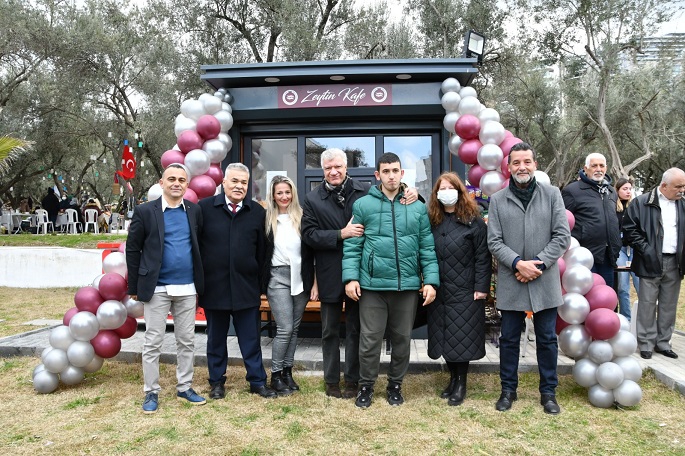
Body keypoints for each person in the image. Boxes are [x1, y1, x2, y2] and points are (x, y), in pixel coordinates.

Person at [301, 147, 417, 399]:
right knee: (330, 331)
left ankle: (353, 380)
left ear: (346, 168)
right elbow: (308, 235)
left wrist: (409, 189)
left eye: (338, 167)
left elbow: (390, 190)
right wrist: (339, 234)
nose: (334, 171)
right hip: (330, 273)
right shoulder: (312, 199)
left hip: (362, 275)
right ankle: (332, 381)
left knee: (357, 330)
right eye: (328, 168)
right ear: (323, 171)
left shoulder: (363, 191)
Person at [342, 152, 439, 408]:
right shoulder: (363, 206)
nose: (391, 176)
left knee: (402, 340)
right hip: (372, 287)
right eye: (386, 171)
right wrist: (351, 278)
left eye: (395, 171)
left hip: (406, 287)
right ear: (378, 175)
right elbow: (354, 246)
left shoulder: (417, 208)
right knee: (369, 340)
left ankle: (395, 385)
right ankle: (366, 387)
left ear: (402, 174)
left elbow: (427, 248)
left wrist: (430, 281)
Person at [487, 142, 570, 415]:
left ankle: (548, 392)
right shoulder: (498, 200)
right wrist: (517, 264)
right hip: (512, 279)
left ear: (535, 164)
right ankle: (508, 390)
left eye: (527, 162)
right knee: (509, 338)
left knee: (547, 339)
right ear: (508, 167)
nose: (521, 167)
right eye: (516, 163)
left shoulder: (552, 194)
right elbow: (494, 241)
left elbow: (562, 236)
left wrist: (539, 264)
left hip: (544, 280)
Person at [125, 163, 206, 414]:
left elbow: (198, 244)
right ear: (161, 182)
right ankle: (151, 392)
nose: (176, 183)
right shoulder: (145, 211)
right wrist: (134, 286)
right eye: (171, 179)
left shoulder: (194, 211)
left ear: (187, 184)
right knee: (153, 342)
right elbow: (133, 248)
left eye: (182, 179)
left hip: (187, 287)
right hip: (156, 287)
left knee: (187, 341)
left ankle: (185, 387)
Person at [198, 163, 276, 399]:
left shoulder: (257, 212)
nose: (239, 186)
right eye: (235, 181)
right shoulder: (204, 209)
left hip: (246, 288)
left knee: (251, 340)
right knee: (216, 340)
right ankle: (216, 383)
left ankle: (257, 381)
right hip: (215, 288)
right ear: (223, 182)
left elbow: (264, 253)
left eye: (244, 182)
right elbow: (197, 248)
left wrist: (260, 286)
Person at [426, 172, 492, 406]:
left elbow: (483, 257)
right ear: (436, 194)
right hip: (440, 290)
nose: (446, 192)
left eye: (450, 188)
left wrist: (481, 287)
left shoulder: (473, 220)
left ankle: (461, 384)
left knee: (461, 338)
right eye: (441, 189)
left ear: (460, 191)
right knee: (446, 337)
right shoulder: (432, 219)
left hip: (466, 290)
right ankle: (452, 380)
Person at [262, 175, 316, 395]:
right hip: (277, 277)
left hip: (301, 277)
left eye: (287, 192)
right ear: (273, 196)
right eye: (279, 193)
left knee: (293, 329)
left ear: (292, 193)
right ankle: (275, 375)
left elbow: (312, 253)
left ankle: (287, 372)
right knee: (284, 328)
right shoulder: (265, 218)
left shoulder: (303, 217)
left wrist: (315, 283)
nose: (284, 196)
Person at [623, 167, 685, 360]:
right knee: (647, 303)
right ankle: (646, 343)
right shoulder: (641, 203)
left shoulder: (683, 204)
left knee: (669, 304)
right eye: (678, 186)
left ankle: (663, 343)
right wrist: (647, 250)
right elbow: (629, 229)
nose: (682, 190)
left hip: (675, 261)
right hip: (649, 260)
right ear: (664, 186)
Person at [562, 153, 621, 287]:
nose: (598, 169)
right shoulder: (572, 191)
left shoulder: (611, 191)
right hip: (583, 257)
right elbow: (563, 223)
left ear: (606, 168)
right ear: (586, 168)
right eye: (594, 166)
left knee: (606, 296)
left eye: (602, 166)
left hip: (608, 256)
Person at [615, 177, 639, 321]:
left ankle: (643, 320)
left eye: (630, 188)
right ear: (617, 190)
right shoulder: (612, 207)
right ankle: (626, 319)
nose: (628, 191)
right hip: (620, 249)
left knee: (640, 286)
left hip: (635, 249)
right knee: (623, 287)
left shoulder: (636, 206)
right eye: (625, 189)